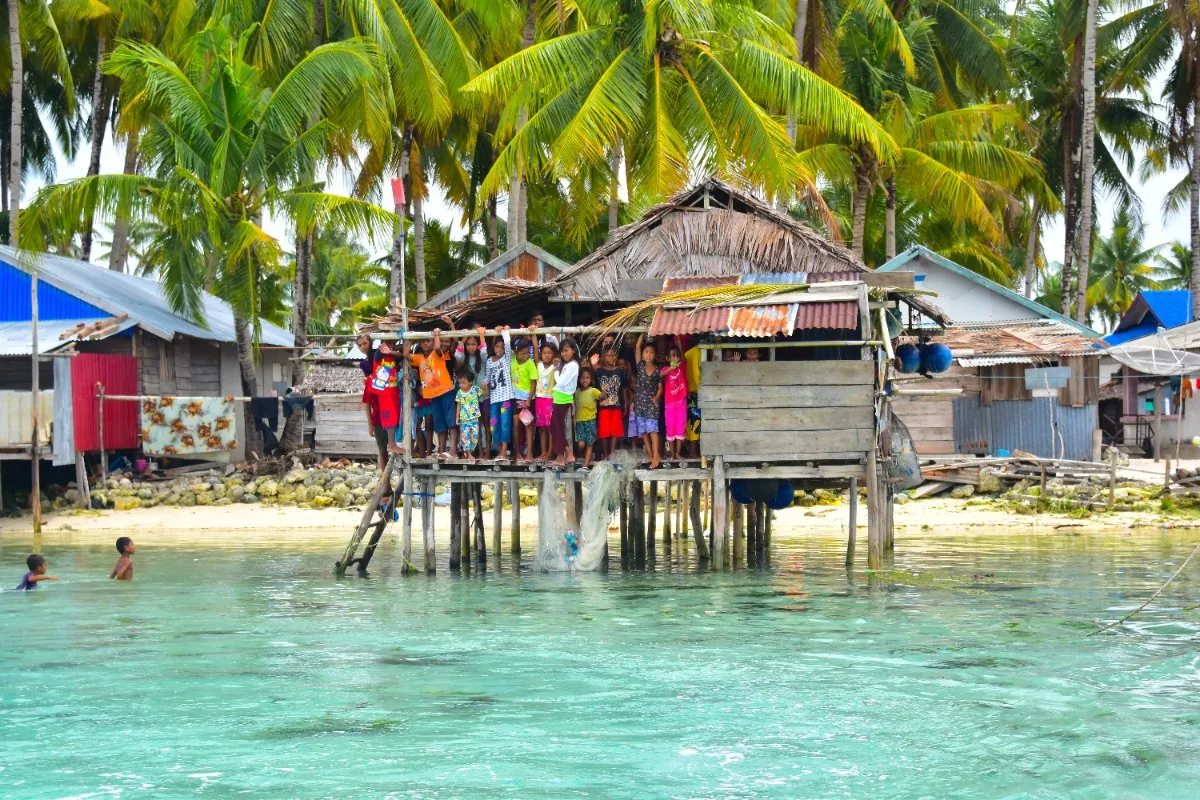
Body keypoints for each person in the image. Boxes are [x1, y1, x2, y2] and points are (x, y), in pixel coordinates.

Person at [406, 327, 455, 459]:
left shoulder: (437, 354)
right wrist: (410, 340)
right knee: (439, 422)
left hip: (446, 390)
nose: (425, 343)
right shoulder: (420, 358)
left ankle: (453, 451)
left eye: (428, 341)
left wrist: (436, 335)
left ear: (433, 342)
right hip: (433, 395)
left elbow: (438, 348)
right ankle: (442, 451)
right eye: (422, 342)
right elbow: (406, 354)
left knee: (451, 420)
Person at [365, 341, 405, 456]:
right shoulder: (379, 352)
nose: (390, 345)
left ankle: (393, 443)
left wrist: (391, 350)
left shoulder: (392, 355)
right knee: (390, 416)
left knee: (396, 415)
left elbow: (400, 355)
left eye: (392, 343)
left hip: (392, 390)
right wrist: (387, 349)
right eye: (388, 343)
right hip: (384, 391)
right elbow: (382, 351)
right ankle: (391, 444)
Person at [483, 325, 515, 461]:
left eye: (501, 347)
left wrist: (505, 332)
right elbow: (487, 376)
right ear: (493, 347)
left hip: (506, 396)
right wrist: (485, 383)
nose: (499, 350)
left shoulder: (506, 358)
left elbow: (508, 345)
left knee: (505, 422)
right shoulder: (490, 361)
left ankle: (503, 451)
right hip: (494, 397)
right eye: (497, 347)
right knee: (493, 423)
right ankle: (499, 448)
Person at [457, 329, 489, 456]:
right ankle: (479, 451)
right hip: (470, 399)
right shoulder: (464, 358)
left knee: (486, 423)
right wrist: (463, 340)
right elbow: (458, 355)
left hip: (483, 395)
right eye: (468, 344)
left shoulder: (481, 357)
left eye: (473, 344)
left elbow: (485, 353)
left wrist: (481, 336)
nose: (471, 347)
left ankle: (486, 452)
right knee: (476, 424)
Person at [631, 341, 663, 468]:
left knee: (653, 429)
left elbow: (660, 387)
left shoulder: (657, 370)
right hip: (640, 402)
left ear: (655, 355)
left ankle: (656, 455)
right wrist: (641, 331)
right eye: (646, 352)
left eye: (651, 352)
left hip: (651, 403)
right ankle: (649, 453)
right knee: (644, 430)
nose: (649, 355)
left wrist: (657, 397)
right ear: (643, 354)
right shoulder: (640, 366)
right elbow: (637, 346)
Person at [595, 346, 629, 459]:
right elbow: (594, 388)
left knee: (615, 431)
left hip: (616, 405)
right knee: (604, 432)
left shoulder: (620, 371)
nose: (611, 358)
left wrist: (625, 403)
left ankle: (612, 454)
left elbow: (623, 388)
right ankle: (606, 454)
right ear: (604, 357)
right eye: (608, 355)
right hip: (603, 405)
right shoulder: (599, 371)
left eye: (613, 355)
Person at [551, 338, 580, 466]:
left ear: (573, 350)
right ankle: (568, 453)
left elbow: (561, 382)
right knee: (556, 427)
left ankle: (561, 457)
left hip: (563, 398)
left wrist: (556, 372)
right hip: (559, 397)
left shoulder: (573, 365)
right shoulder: (567, 365)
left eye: (566, 351)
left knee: (557, 428)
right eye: (562, 352)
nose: (564, 354)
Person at [511, 333, 539, 463]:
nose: (525, 355)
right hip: (515, 398)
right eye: (523, 353)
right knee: (516, 424)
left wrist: (528, 400)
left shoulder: (530, 363)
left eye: (527, 352)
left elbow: (534, 381)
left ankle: (529, 453)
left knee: (528, 424)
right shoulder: (511, 360)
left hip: (528, 398)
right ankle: (517, 452)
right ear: (516, 352)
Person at [661, 346, 689, 461]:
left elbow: (683, 359)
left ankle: (677, 453)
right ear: (667, 358)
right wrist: (671, 368)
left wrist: (678, 343)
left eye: (676, 355)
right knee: (671, 428)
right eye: (672, 355)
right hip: (670, 403)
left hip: (681, 401)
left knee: (680, 428)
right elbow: (660, 375)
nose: (675, 357)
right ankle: (672, 454)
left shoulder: (681, 367)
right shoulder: (665, 369)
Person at [574, 367, 602, 468]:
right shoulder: (576, 392)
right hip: (579, 421)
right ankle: (584, 457)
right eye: (582, 378)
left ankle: (585, 464)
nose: (585, 380)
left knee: (590, 443)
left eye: (587, 378)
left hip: (590, 420)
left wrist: (604, 392)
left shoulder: (593, 391)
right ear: (579, 379)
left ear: (591, 379)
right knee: (581, 444)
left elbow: (602, 396)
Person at [534, 341, 558, 462]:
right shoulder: (538, 365)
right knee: (542, 428)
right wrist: (534, 336)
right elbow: (535, 348)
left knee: (550, 428)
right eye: (544, 353)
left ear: (554, 354)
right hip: (539, 399)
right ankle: (543, 452)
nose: (547, 355)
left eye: (549, 353)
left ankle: (550, 452)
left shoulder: (555, 366)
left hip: (550, 400)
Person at [455, 371, 483, 462]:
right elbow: (458, 405)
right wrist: (457, 417)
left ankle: (467, 452)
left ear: (470, 382)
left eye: (463, 383)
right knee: (465, 437)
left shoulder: (475, 389)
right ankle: (469, 454)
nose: (461, 385)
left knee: (475, 436)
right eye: (460, 383)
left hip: (474, 418)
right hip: (464, 419)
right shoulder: (459, 392)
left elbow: (485, 392)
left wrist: (485, 386)